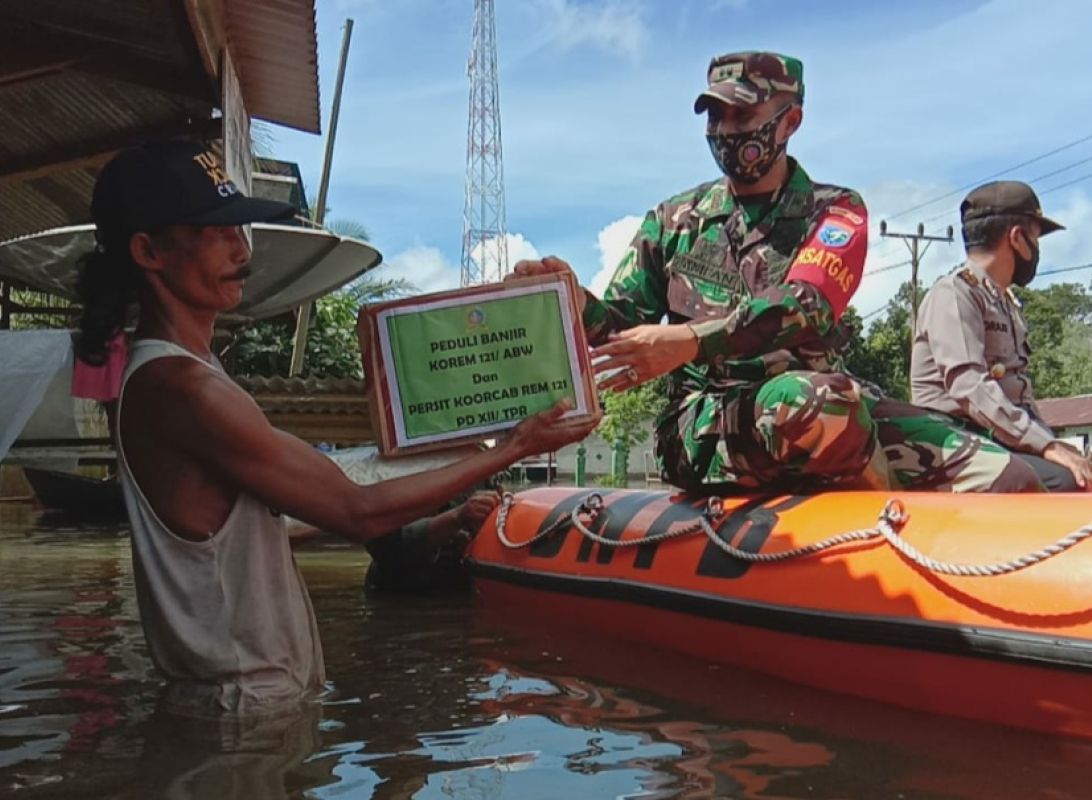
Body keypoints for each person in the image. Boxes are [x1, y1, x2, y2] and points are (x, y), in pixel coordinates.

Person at [75, 140, 595, 716]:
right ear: (148, 251)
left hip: (245, 700)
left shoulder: (187, 373)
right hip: (240, 710)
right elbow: (356, 510)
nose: (240, 247)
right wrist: (517, 446)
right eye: (213, 231)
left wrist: (455, 430)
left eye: (239, 227)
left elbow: (304, 508)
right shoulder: (183, 389)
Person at [514, 52, 1041, 495]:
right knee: (819, 405)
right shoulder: (673, 221)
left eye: (740, 117)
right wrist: (571, 300)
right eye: (714, 118)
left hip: (832, 401)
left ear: (790, 121)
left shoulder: (834, 212)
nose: (723, 132)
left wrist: (692, 340)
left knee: (1008, 475)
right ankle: (884, 524)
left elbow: (805, 305)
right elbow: (623, 329)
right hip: (705, 421)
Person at [910, 181, 1092, 493]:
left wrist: (1052, 445)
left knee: (1091, 477)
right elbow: (969, 385)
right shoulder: (954, 294)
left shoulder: (1004, 303)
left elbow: (1019, 396)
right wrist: (1047, 447)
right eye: (1036, 239)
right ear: (1016, 237)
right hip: (951, 440)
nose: (1037, 251)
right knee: (1062, 482)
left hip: (996, 440)